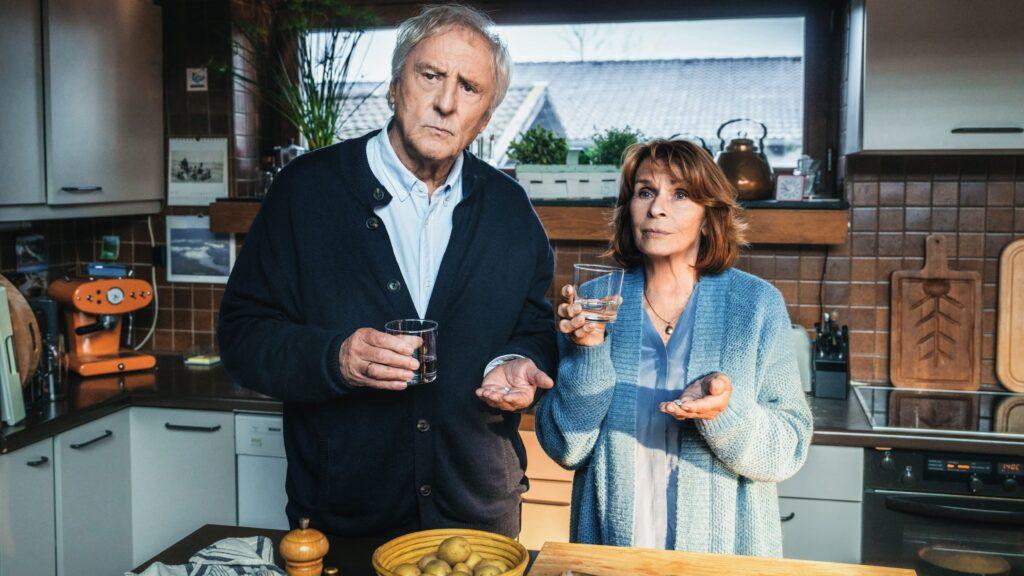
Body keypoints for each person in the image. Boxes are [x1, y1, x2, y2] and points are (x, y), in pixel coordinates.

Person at [218, 4, 557, 539]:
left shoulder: (510, 210)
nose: (446, 103)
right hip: (342, 520)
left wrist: (518, 361)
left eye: (469, 88)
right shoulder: (305, 193)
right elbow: (242, 338)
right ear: (395, 86)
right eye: (431, 75)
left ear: (486, 117)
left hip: (478, 522)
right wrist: (337, 358)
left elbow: (536, 327)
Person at [534, 139, 812, 556]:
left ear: (708, 217)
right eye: (645, 192)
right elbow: (567, 448)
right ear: (629, 208)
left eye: (680, 194)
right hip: (614, 554)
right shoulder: (592, 304)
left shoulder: (756, 306)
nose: (656, 209)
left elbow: (787, 450)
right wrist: (589, 353)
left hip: (722, 558)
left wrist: (724, 413)